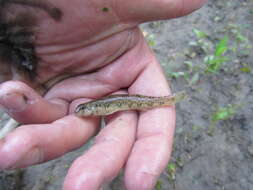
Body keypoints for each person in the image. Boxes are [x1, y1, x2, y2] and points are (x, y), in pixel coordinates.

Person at [0, 0, 206, 189]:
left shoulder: (95, 106)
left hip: (131, 100)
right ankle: (169, 100)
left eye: (84, 109)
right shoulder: (93, 107)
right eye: (83, 110)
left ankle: (170, 100)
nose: (82, 111)